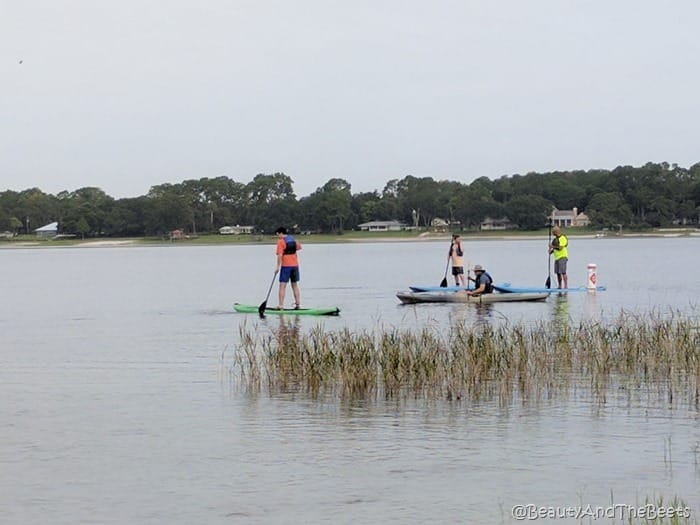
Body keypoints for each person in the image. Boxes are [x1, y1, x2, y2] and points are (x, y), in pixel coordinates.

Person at [275, 226, 302, 309]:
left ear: (281, 233)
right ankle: (298, 304)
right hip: (295, 266)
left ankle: (281, 305)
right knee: (295, 285)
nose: (277, 236)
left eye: (278, 235)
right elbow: (299, 247)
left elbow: (279, 255)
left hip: (286, 266)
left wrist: (277, 267)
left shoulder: (280, 242)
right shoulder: (292, 239)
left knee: (282, 286)